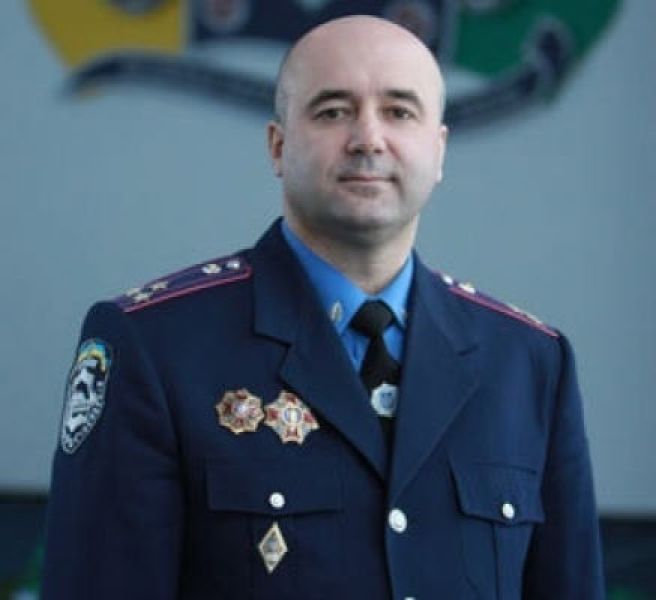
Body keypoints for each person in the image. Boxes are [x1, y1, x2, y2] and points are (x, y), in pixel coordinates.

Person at [42, 15, 605, 600]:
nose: (368, 139)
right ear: (278, 146)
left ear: (438, 151)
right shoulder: (155, 346)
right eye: (334, 111)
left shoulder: (529, 363)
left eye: (399, 112)